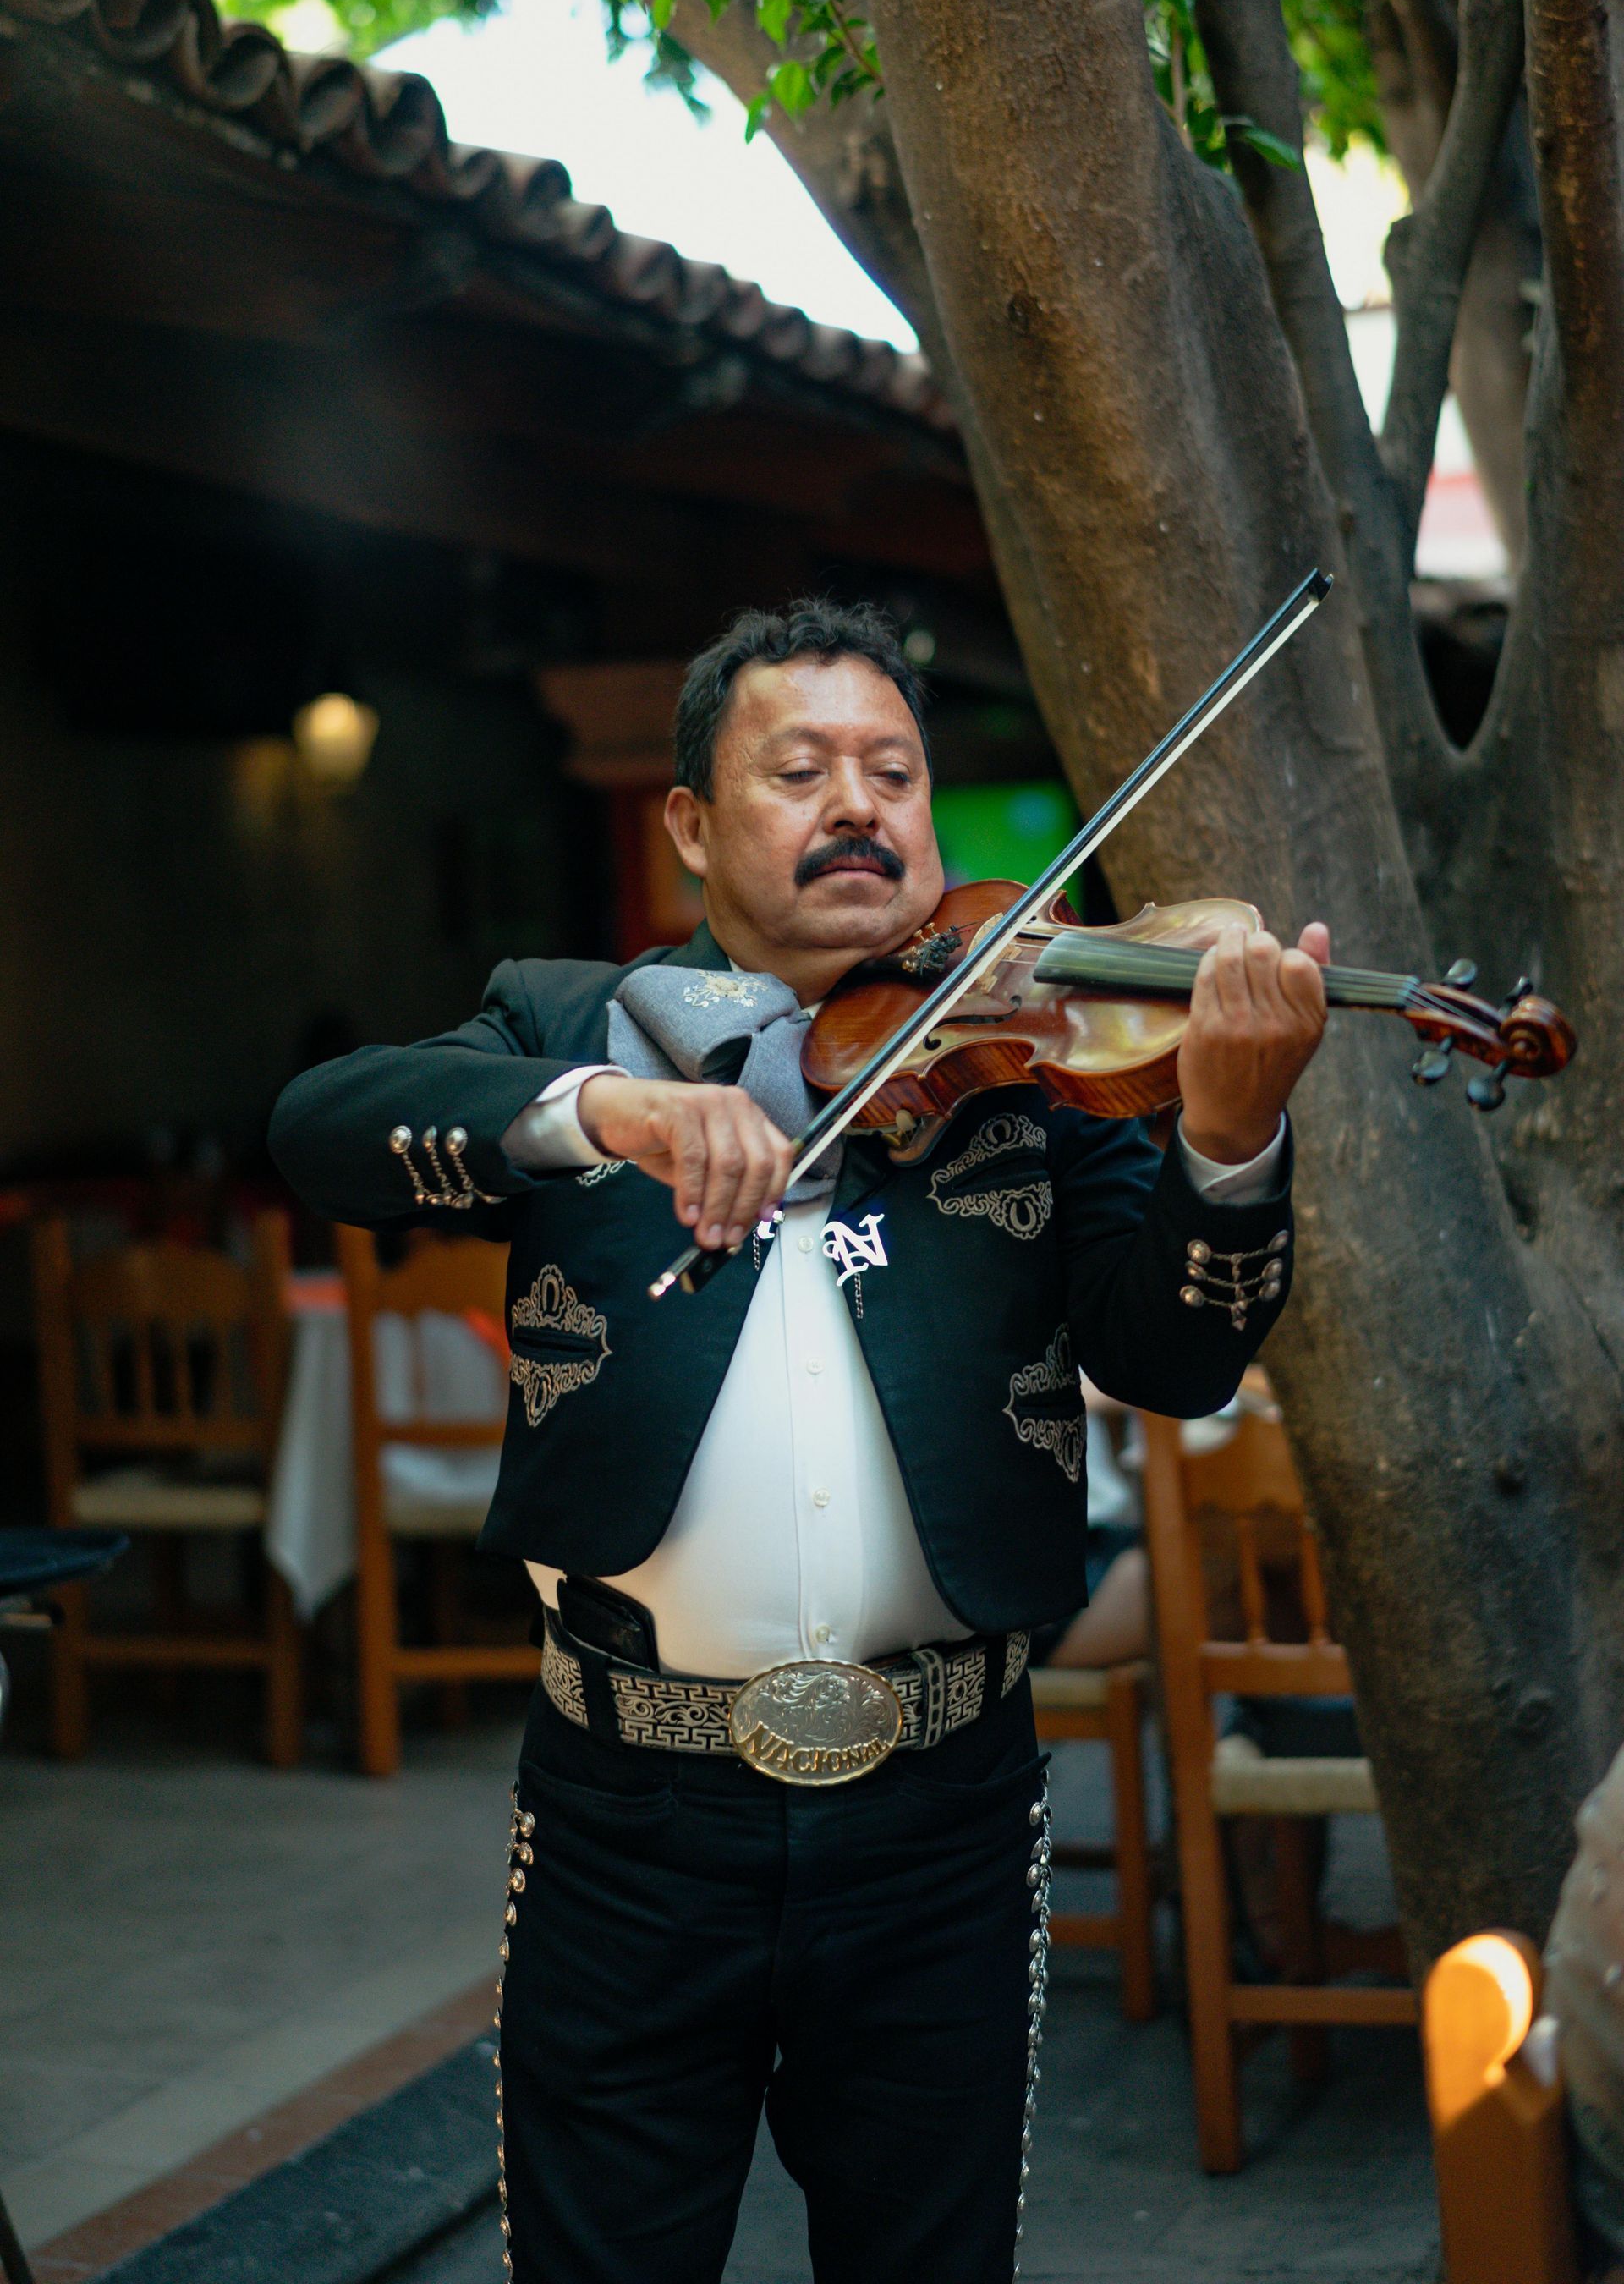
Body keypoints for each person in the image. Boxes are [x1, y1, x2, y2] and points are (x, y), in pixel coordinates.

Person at [268, 597, 1330, 2284]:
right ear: (691, 822)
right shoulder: (577, 1023)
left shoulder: (1034, 1066)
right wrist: (596, 1114)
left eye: (893, 772)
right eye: (804, 768)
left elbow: (1182, 1357)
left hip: (943, 1805)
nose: (861, 804)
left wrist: (1230, 1131)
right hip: (630, 1812)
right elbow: (321, 1128)